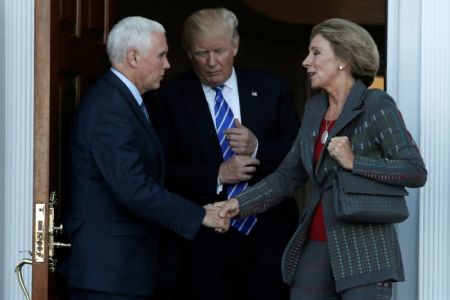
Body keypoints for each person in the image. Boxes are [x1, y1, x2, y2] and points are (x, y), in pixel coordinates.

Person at [217, 18, 427, 300]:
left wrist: (355, 162)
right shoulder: (315, 108)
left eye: (316, 53)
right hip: (315, 247)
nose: (306, 61)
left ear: (343, 59)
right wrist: (237, 205)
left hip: (365, 252)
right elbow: (287, 176)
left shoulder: (376, 105)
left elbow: (415, 171)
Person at [59, 16, 230, 300]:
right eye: (161, 55)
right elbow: (133, 187)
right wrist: (199, 215)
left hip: (119, 272)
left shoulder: (123, 101)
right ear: (134, 57)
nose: (168, 64)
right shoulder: (111, 108)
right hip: (109, 275)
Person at [146, 7, 300, 300]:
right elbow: (160, 171)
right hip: (201, 250)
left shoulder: (271, 88)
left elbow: (300, 158)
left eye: (220, 50)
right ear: (188, 53)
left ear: (236, 46)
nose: (212, 62)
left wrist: (258, 147)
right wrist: (217, 174)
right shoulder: (167, 98)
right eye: (201, 53)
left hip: (267, 241)